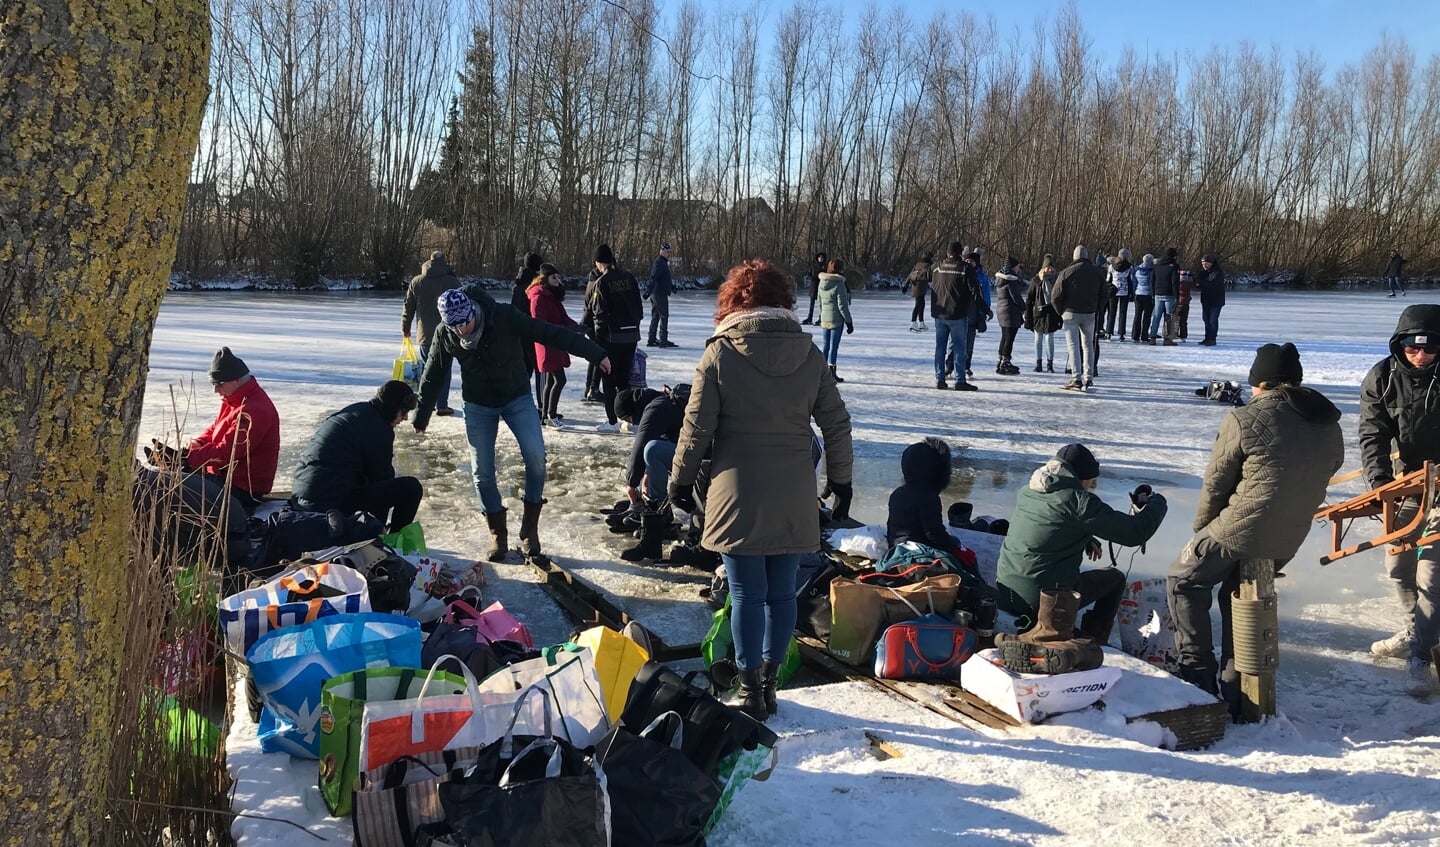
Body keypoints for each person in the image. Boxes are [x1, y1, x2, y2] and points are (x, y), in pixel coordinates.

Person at [668, 259, 853, 722]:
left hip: (736, 490)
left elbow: (696, 427)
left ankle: (750, 689)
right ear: (784, 302)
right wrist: (841, 481)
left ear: (731, 303)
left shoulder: (720, 354)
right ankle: (771, 684)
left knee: (747, 594)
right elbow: (836, 422)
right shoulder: (810, 355)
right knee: (781, 594)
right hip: (793, 490)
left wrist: (680, 478)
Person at [1168, 343, 1343, 703]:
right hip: (1290, 535)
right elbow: (1331, 467)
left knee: (1184, 580)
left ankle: (1196, 672)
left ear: (1259, 382)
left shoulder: (1243, 418)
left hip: (1240, 528)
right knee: (1239, 595)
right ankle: (1238, 687)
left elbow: (1216, 483)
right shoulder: (1328, 422)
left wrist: (1201, 532)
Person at [415, 288, 611, 561]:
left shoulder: (503, 316)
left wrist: (594, 352)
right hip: (478, 403)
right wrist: (421, 415)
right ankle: (498, 534)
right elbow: (432, 374)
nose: (462, 330)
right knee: (481, 471)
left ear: (474, 311)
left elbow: (549, 332)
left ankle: (529, 529)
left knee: (536, 457)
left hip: (516, 396)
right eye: (455, 326)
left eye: (465, 323)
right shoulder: (445, 334)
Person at [995, 443, 1168, 643]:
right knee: (1115, 579)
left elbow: (1050, 526)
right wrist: (1157, 501)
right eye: (1091, 482)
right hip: (1043, 599)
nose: (1090, 486)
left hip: (1007, 592)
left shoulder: (1028, 492)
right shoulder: (1078, 501)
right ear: (1082, 478)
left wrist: (1085, 537)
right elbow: (1135, 533)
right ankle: (1095, 641)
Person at [1359, 305, 1440, 691]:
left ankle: (1421, 655)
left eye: (1430, 348)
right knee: (1398, 564)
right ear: (1400, 345)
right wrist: (1378, 482)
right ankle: (1416, 631)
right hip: (1409, 479)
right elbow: (1373, 433)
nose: (1420, 356)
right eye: (1412, 348)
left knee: (1433, 572)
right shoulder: (1383, 376)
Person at [152, 347, 281, 513]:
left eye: (218, 384)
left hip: (241, 490)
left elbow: (229, 452)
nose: (215, 390)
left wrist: (186, 459)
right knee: (166, 482)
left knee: (169, 492)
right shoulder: (235, 400)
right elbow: (215, 430)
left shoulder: (254, 410)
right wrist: (196, 445)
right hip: (224, 479)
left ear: (236, 380)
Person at [290, 380, 424, 533]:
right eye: (404, 411)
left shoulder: (357, 411)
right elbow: (381, 478)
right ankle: (389, 538)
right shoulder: (379, 429)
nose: (405, 418)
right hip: (329, 505)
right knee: (411, 488)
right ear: (393, 408)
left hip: (302, 497)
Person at [886, 437, 981, 576]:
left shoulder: (898, 493)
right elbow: (934, 533)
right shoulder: (928, 497)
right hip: (919, 554)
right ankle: (980, 588)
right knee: (965, 555)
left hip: (899, 548)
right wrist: (956, 549)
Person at [613, 386, 685, 562]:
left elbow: (641, 447)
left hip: (705, 456)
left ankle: (656, 523)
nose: (632, 423)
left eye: (628, 418)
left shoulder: (654, 410)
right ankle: (660, 513)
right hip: (703, 451)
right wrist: (646, 475)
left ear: (632, 409)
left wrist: (631, 484)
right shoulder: (662, 400)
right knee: (652, 454)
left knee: (652, 451)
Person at [586, 244, 644, 432]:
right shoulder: (629, 277)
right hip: (632, 335)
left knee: (609, 381)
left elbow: (599, 314)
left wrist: (598, 339)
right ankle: (629, 418)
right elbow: (639, 308)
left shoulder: (602, 283)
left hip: (612, 338)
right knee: (625, 380)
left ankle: (612, 421)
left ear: (598, 262)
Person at [402, 251, 460, 416]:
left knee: (428, 370)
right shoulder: (452, 281)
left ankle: (426, 403)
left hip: (424, 335)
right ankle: (442, 405)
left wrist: (405, 328)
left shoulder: (416, 281)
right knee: (444, 370)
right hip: (447, 334)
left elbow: (408, 307)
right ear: (444, 262)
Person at [527, 263, 578, 426]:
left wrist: (577, 327)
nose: (558, 280)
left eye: (558, 277)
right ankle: (551, 414)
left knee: (551, 380)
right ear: (545, 279)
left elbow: (563, 317)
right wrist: (565, 329)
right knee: (559, 379)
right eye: (554, 277)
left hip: (556, 341)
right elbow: (539, 323)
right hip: (547, 343)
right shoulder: (539, 297)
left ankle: (545, 413)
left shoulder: (552, 296)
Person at [1052, 245, 1106, 391]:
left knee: (1073, 346)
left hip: (1070, 313)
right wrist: (1097, 308)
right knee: (1088, 345)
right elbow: (1105, 293)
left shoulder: (1066, 272)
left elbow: (1055, 295)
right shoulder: (1097, 272)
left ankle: (1076, 378)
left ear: (1074, 257)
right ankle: (1088, 377)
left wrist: (1060, 311)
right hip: (1089, 313)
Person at [930, 241, 981, 391]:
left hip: (939, 315)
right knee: (959, 348)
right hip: (957, 315)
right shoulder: (965, 269)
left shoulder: (937, 266)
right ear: (961, 254)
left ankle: (940, 378)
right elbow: (975, 291)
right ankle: (960, 380)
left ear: (948, 253)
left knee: (940, 347)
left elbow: (922, 274)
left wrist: (911, 277)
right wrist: (985, 309)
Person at [512, 252, 545, 409]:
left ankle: (519, 404)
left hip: (519, 333)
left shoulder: (517, 285)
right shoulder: (535, 286)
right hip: (532, 332)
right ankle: (542, 406)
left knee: (524, 371)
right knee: (540, 370)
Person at [816, 258, 854, 383]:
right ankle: (832, 372)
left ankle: (821, 372)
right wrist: (849, 322)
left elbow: (820, 302)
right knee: (834, 346)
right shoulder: (839, 284)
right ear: (840, 269)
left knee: (826, 345)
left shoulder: (822, 282)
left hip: (825, 319)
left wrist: (821, 316)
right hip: (836, 320)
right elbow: (842, 305)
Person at [1024, 254, 1061, 373]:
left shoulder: (1056, 280)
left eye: (1052, 267)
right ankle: (1038, 363)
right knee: (1038, 339)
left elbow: (1060, 298)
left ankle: (1050, 364)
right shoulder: (1036, 281)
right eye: (1048, 267)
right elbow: (1029, 299)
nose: (1050, 269)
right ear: (1043, 268)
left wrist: (1060, 316)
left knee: (1049, 338)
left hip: (1052, 313)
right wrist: (1027, 317)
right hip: (1038, 314)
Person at [992, 256, 1026, 375]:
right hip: (1010, 312)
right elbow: (1015, 297)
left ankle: (1001, 360)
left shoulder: (1001, 279)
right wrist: (1024, 307)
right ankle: (1005, 361)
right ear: (1013, 266)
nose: (1018, 269)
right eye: (1017, 267)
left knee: (1004, 337)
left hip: (1002, 310)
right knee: (1009, 338)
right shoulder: (1010, 279)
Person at [963, 249, 993, 380]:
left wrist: (983, 314)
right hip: (959, 313)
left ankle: (966, 366)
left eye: (971, 261)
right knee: (955, 342)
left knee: (969, 342)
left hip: (974, 314)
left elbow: (985, 297)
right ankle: (950, 365)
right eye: (967, 260)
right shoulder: (960, 272)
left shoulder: (981, 278)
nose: (968, 262)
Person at [647, 242, 676, 347]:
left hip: (658, 293)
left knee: (656, 315)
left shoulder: (662, 263)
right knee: (664, 316)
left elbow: (664, 278)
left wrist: (672, 287)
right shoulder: (659, 263)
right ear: (662, 252)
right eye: (667, 252)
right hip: (658, 294)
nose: (669, 254)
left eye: (670, 252)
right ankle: (663, 339)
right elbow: (654, 277)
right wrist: (648, 291)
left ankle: (652, 339)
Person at [1147, 252, 1177, 345]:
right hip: (1169, 294)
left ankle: (1152, 337)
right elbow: (1174, 282)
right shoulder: (1173, 267)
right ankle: (1167, 338)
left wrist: (1153, 293)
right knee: (1168, 317)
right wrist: (1176, 296)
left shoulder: (1157, 266)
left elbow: (1152, 281)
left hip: (1158, 294)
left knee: (1156, 316)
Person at [1197, 254, 1226, 346]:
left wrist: (1199, 282)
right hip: (1206, 300)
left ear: (1211, 263)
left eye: (1206, 264)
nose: (1204, 266)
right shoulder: (1203, 272)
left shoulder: (1217, 273)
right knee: (1206, 319)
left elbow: (1211, 284)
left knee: (1213, 320)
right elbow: (1200, 284)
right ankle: (1207, 337)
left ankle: (1212, 338)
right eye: (1203, 264)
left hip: (1216, 300)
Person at [1104, 249, 1133, 341]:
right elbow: (1130, 280)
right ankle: (1121, 333)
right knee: (1122, 313)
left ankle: (1108, 332)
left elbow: (1108, 279)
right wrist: (1131, 292)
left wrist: (1109, 287)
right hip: (1124, 291)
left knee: (1112, 312)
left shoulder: (1112, 266)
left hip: (1113, 291)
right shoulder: (1129, 267)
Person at [1129, 249, 1154, 343]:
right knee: (1147, 316)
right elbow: (1152, 283)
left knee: (1137, 315)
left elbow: (1134, 282)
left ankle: (1135, 335)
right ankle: (1144, 335)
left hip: (1138, 293)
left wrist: (1133, 292)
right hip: (1148, 295)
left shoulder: (1137, 270)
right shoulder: (1152, 270)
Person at [906, 253, 932, 332]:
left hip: (915, 286)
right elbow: (930, 277)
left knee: (921, 304)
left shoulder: (918, 264)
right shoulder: (928, 265)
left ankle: (921, 323)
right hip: (920, 288)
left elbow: (910, 274)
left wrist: (906, 285)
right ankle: (913, 323)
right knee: (918, 305)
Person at [802, 251, 827, 325]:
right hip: (813, 287)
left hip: (821, 287)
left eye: (822, 257)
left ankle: (821, 319)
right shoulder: (814, 266)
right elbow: (809, 274)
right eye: (819, 257)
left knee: (821, 305)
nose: (820, 259)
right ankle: (809, 318)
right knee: (811, 305)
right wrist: (811, 278)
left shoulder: (825, 267)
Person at [1176, 262, 1193, 342]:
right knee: (1184, 321)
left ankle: (1174, 333)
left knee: (1176, 319)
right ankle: (1183, 336)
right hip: (1186, 304)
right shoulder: (1188, 284)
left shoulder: (1177, 284)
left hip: (1178, 303)